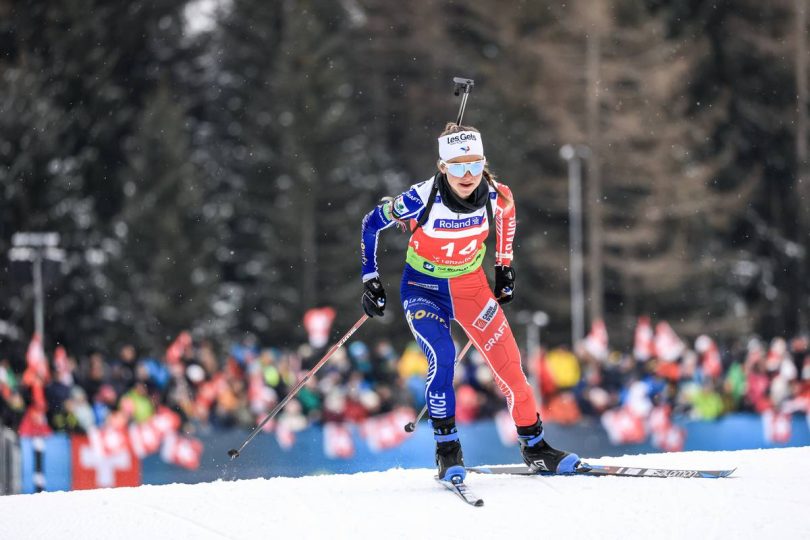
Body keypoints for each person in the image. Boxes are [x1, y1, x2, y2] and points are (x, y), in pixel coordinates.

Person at [360, 123, 580, 481]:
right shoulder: (420, 197)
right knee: (443, 357)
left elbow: (507, 216)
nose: (468, 175)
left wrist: (504, 266)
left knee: (511, 368)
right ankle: (448, 451)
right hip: (424, 288)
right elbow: (371, 223)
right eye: (458, 166)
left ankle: (536, 447)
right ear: (442, 166)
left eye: (475, 165)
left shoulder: (497, 194)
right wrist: (370, 279)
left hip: (471, 289)